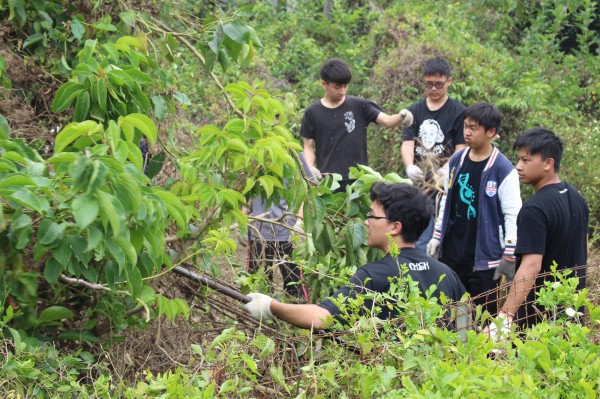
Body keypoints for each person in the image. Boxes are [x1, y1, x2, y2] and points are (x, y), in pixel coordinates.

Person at [242, 182, 466, 330]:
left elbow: (321, 317)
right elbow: (468, 332)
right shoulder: (447, 274)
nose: (366, 222)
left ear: (395, 227)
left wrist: (272, 307)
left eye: (372, 216)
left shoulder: (373, 275)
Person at [486, 128, 589, 338]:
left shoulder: (534, 209)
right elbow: (584, 251)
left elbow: (531, 266)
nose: (518, 166)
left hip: (539, 319)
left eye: (526, 160)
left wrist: (504, 317)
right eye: (519, 160)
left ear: (548, 163)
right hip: (572, 313)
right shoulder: (577, 198)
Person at [426, 103, 522, 316]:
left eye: (474, 128)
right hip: (452, 254)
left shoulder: (503, 169)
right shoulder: (457, 161)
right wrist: (437, 236)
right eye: (466, 126)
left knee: (482, 316)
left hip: (485, 260)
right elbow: (447, 200)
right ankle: (457, 348)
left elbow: (512, 213)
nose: (467, 132)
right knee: (454, 314)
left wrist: (510, 251)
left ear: (491, 132)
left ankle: (483, 349)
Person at [301, 58, 413, 193]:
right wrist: (309, 168)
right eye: (337, 87)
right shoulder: (312, 112)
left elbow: (387, 121)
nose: (342, 91)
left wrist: (402, 115)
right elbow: (308, 146)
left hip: (359, 181)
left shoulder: (360, 106)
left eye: (345, 86)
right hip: (328, 182)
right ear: (324, 84)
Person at [401, 56, 467, 253]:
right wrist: (409, 167)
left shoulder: (458, 112)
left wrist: (446, 170)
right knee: (419, 240)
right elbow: (407, 143)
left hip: (445, 188)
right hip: (420, 186)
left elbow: (461, 148)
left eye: (439, 84)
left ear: (449, 81)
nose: (434, 89)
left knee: (441, 239)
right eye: (429, 84)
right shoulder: (415, 111)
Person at [244, 153, 315, 303]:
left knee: (293, 281)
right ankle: (257, 322)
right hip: (258, 229)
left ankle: (299, 318)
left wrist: (300, 221)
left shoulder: (292, 152)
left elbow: (306, 186)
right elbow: (251, 188)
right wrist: (244, 216)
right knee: (256, 282)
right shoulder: (257, 152)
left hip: (286, 229)